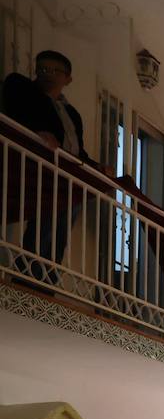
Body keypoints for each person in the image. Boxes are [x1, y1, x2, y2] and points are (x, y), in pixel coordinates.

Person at [1, 51, 98, 278]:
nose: (47, 74)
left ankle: (46, 279)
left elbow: (77, 150)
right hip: (41, 171)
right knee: (44, 227)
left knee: (59, 231)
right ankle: (29, 278)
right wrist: (37, 132)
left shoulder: (71, 113)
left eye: (54, 70)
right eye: (42, 68)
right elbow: (17, 109)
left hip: (69, 177)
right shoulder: (23, 88)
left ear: (68, 78)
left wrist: (96, 167)